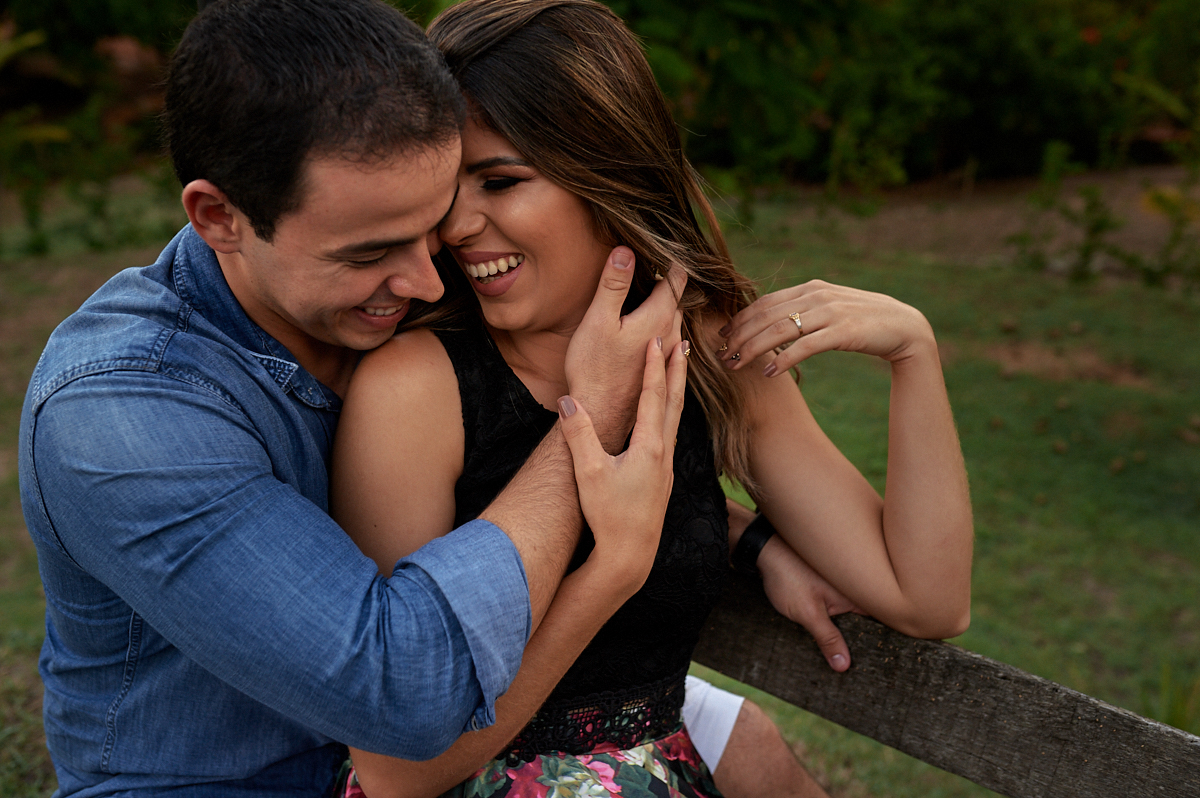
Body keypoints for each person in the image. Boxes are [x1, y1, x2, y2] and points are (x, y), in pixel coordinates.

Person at [17, 1, 691, 795]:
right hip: (248, 782)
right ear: (219, 217)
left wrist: (750, 540)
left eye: (429, 223)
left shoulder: (404, 308)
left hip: (471, 742)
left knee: (745, 744)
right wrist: (592, 414)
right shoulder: (115, 412)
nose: (428, 279)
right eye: (371, 251)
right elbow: (402, 692)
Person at [330, 1, 974, 797]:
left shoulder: (702, 349)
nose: (456, 225)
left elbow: (927, 597)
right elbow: (397, 768)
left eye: (500, 180)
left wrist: (915, 351)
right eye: (443, 186)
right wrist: (615, 569)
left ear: (608, 172)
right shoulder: (414, 390)